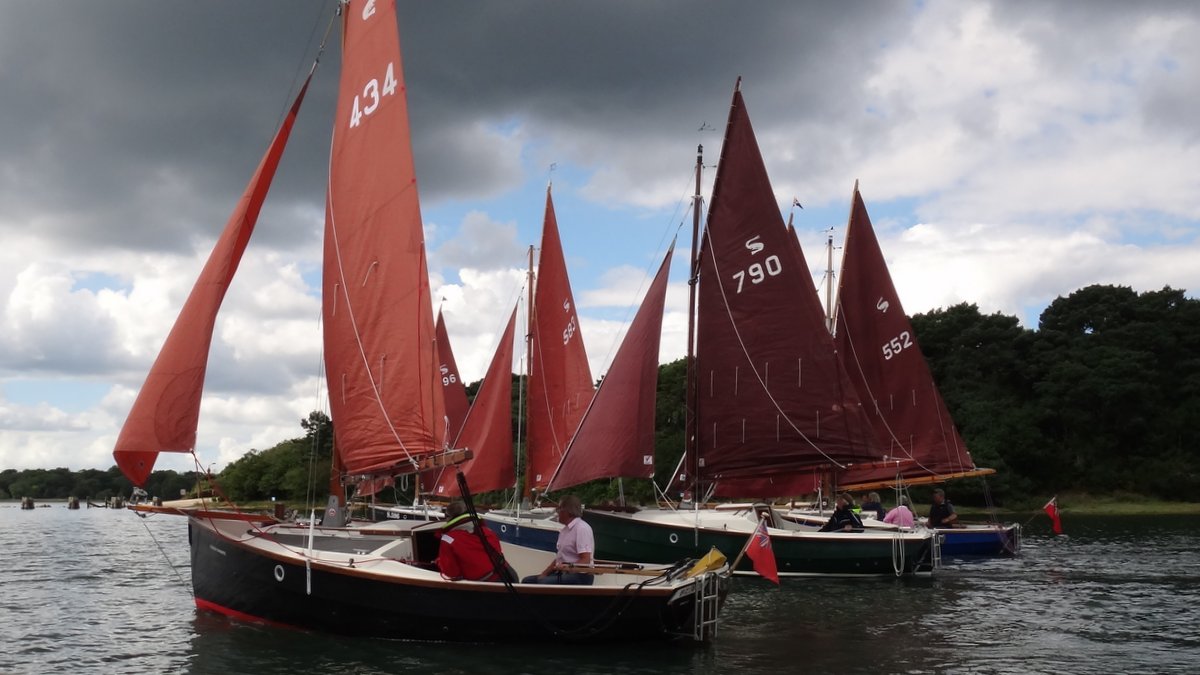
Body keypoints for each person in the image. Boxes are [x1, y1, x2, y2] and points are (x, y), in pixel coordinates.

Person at [522, 494, 595, 585]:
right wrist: (544, 573)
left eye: (559, 509)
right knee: (527, 581)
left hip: (580, 576)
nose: (557, 512)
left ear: (568, 511)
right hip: (563, 573)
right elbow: (558, 559)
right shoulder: (564, 531)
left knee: (543, 583)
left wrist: (567, 568)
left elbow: (585, 560)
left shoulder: (581, 528)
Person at [436, 500, 514, 582]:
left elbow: (453, 574)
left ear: (449, 517)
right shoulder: (488, 531)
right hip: (508, 575)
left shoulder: (447, 539)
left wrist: (440, 562)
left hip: (487, 585)